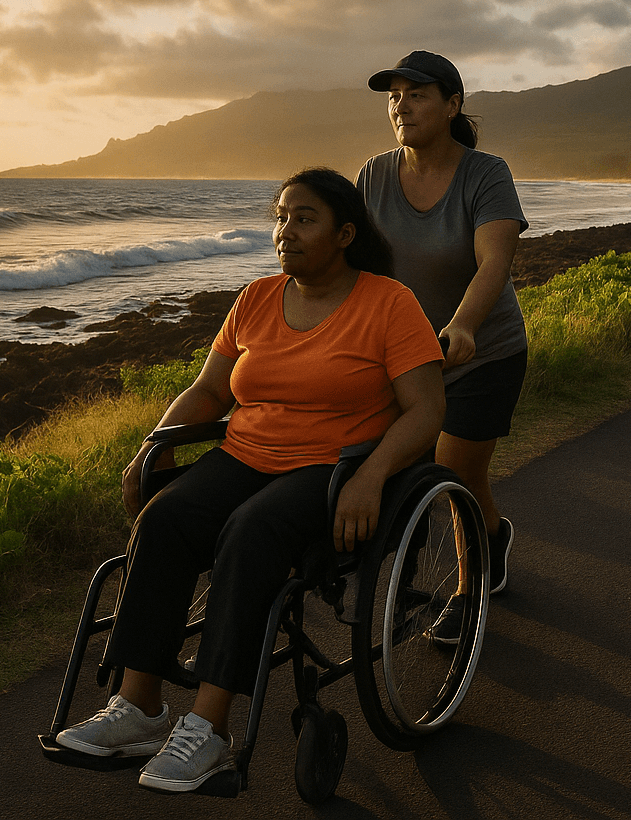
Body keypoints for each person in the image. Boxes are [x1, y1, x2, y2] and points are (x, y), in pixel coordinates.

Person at [54, 168, 444, 793]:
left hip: (331, 465)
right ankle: (140, 707)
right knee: (165, 518)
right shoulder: (257, 297)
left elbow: (426, 409)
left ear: (345, 233)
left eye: (304, 218)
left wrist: (371, 475)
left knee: (250, 532)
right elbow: (210, 390)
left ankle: (209, 728)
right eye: (281, 217)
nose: (285, 231)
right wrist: (150, 448)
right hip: (244, 454)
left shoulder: (388, 304)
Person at [357, 50, 527, 631]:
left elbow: (493, 262)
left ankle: (469, 588)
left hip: (481, 351)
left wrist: (462, 325)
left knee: (454, 476)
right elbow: (358, 269)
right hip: (406, 358)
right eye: (393, 96)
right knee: (401, 468)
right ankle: (432, 562)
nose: (401, 105)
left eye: (417, 94)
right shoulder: (374, 175)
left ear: (453, 105)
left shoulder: (486, 174)